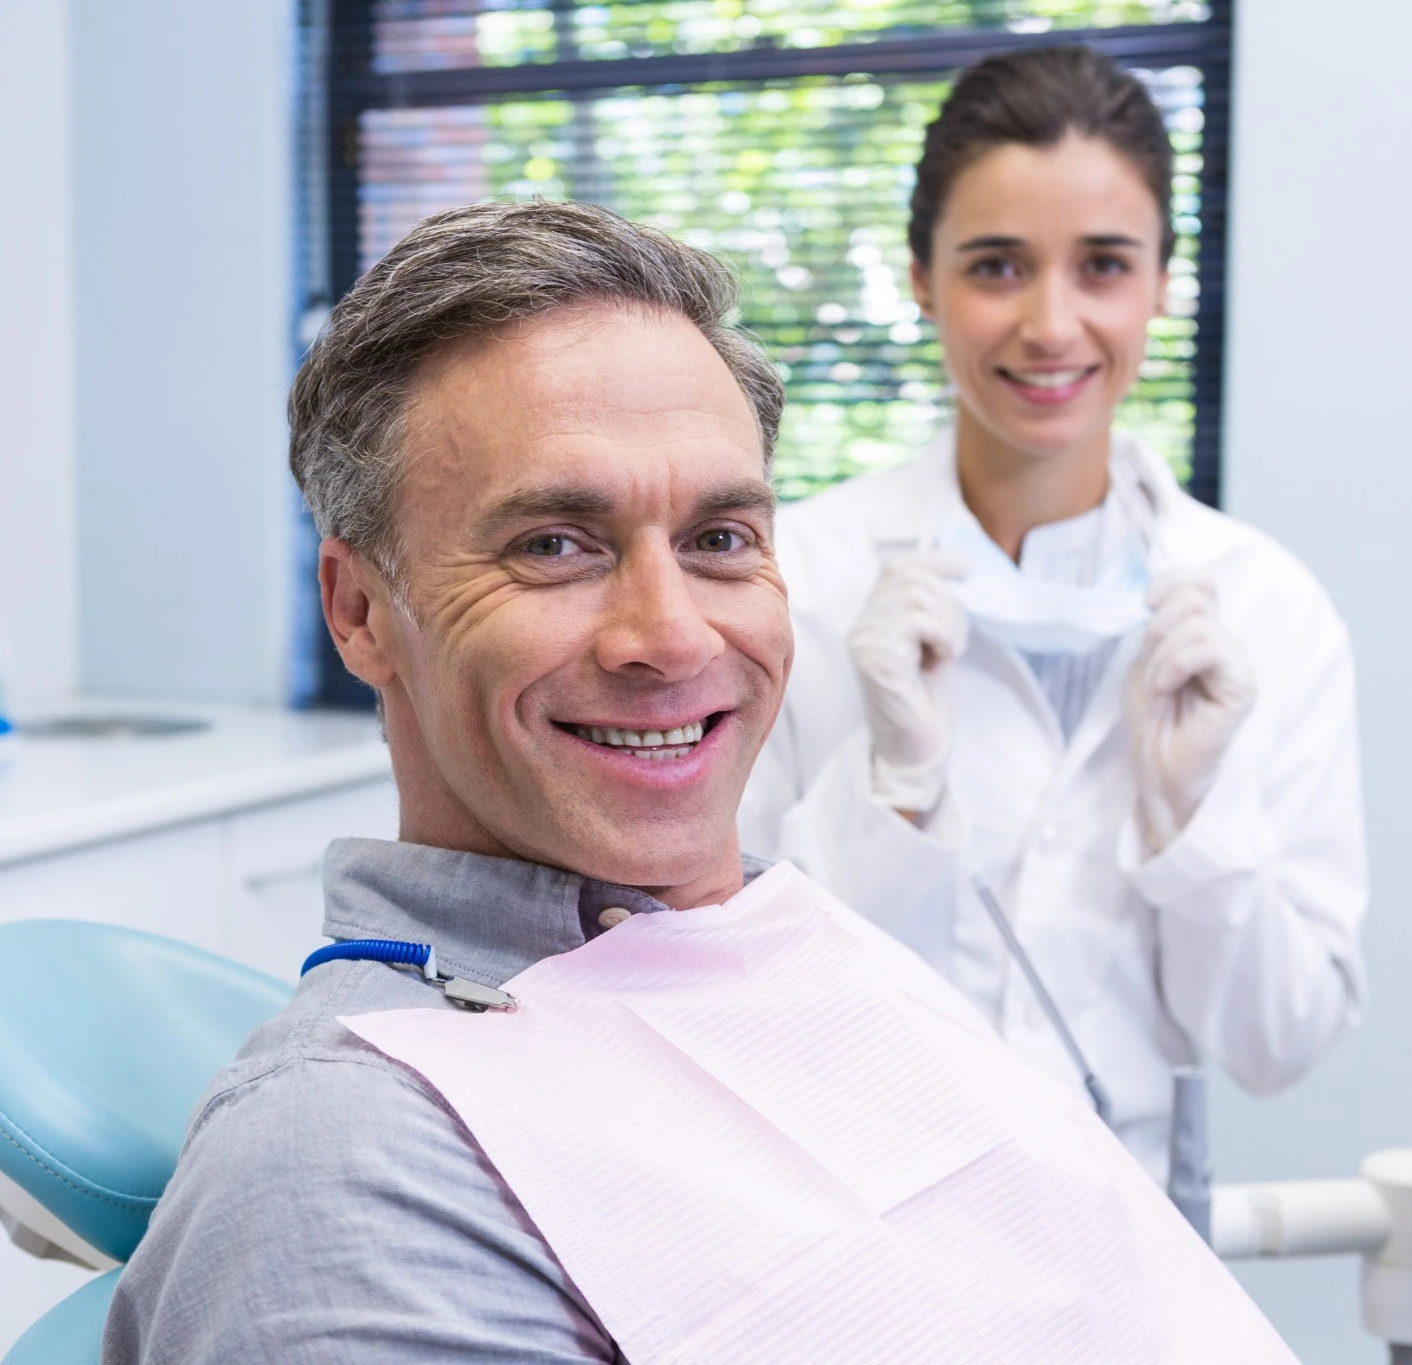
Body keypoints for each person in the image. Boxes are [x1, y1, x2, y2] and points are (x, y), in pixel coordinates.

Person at [104, 199, 1294, 1363]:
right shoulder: (344, 1159)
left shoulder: (792, 945)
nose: (669, 639)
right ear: (360, 612)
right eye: (552, 545)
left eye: (720, 539)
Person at [739, 45, 1368, 1178]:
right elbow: (729, 994)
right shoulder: (794, 579)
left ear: (1161, 282)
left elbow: (1279, 1042)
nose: (1050, 323)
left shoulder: (1268, 609)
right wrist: (892, 793)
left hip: (1126, 1223)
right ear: (921, 277)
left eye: (1103, 266)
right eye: (995, 266)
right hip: (849, 1197)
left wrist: (1194, 819)